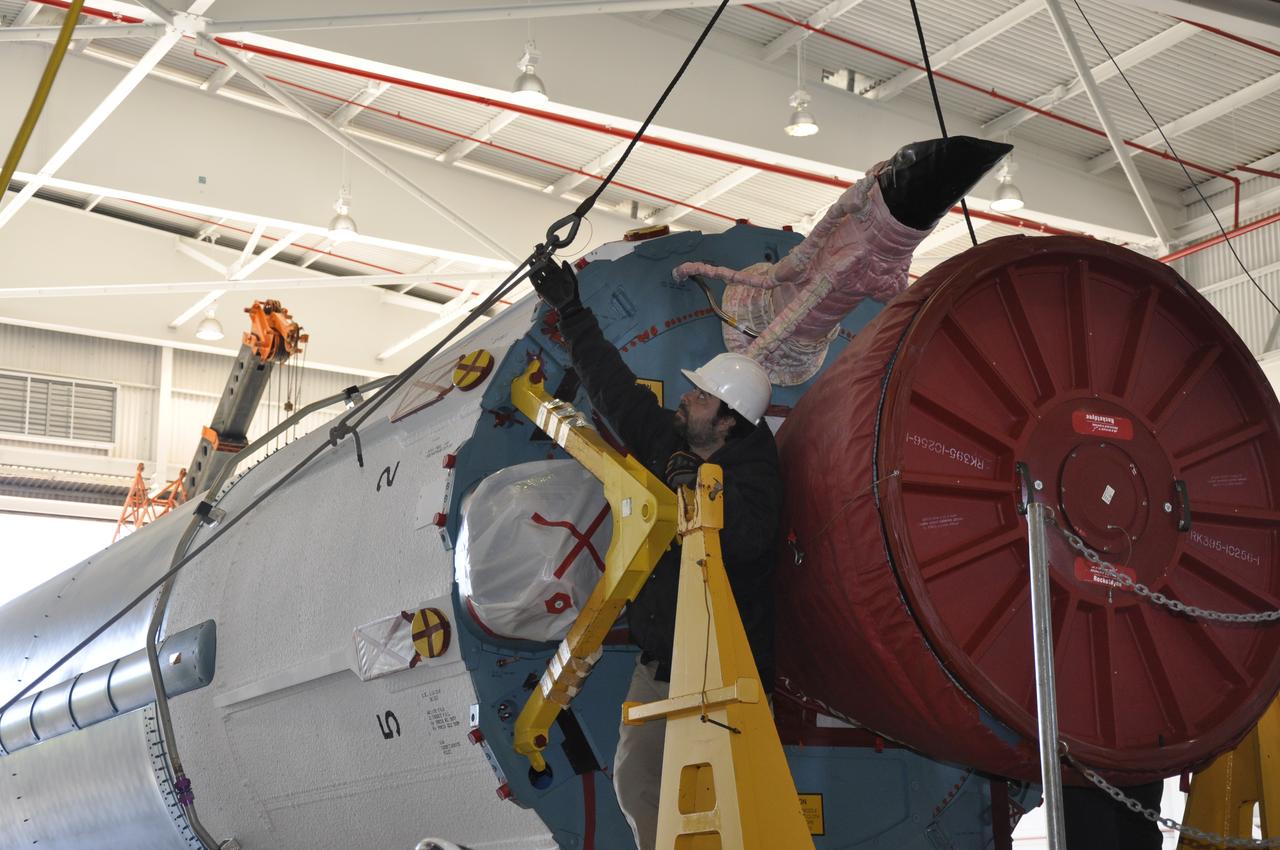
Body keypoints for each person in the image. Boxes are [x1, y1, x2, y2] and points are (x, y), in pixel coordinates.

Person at [530, 258, 782, 850]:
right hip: (663, 664)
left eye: (699, 397)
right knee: (637, 780)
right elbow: (615, 391)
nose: (685, 398)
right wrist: (572, 310)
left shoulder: (755, 476)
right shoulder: (674, 440)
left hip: (729, 672)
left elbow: (746, 540)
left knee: (733, 802)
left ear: (727, 422)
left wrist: (701, 491)